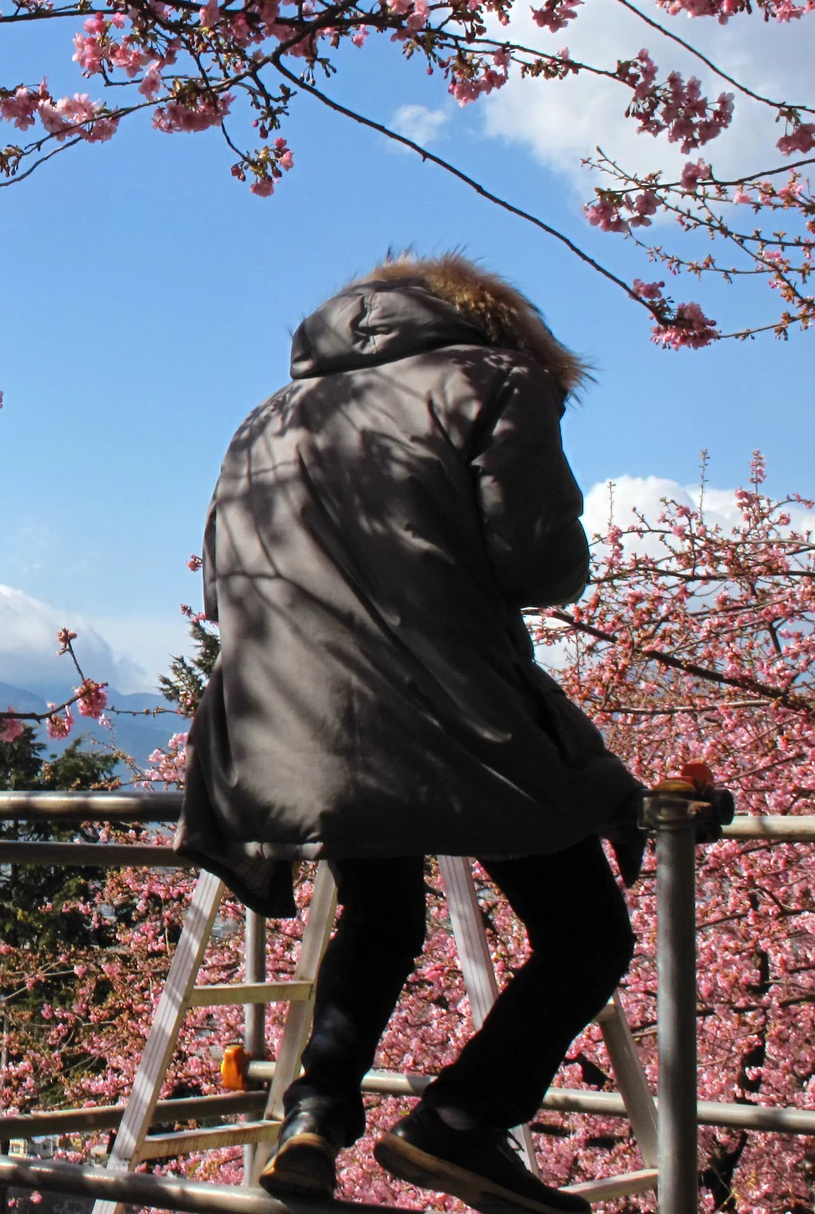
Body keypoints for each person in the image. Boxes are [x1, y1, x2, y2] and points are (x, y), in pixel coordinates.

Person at [172, 254, 646, 1214]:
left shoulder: (265, 416)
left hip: (289, 721)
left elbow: (223, 577)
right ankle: (459, 1123)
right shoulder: (496, 379)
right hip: (447, 709)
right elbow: (539, 561)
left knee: (382, 917)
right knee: (586, 934)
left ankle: (313, 1115)